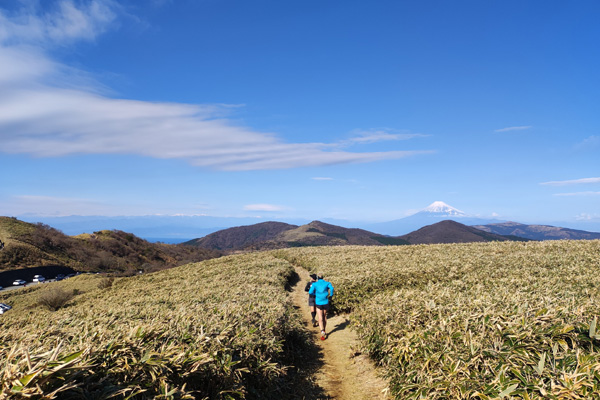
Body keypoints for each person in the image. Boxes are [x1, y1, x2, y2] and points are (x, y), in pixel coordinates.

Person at [308, 272, 334, 340]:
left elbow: (310, 292)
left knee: (320, 317)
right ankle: (324, 329)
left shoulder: (315, 284)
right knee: (324, 316)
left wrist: (316, 293)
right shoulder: (327, 283)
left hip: (318, 302)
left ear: (317, 278)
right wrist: (330, 295)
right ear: (323, 277)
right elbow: (332, 289)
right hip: (325, 301)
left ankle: (322, 331)